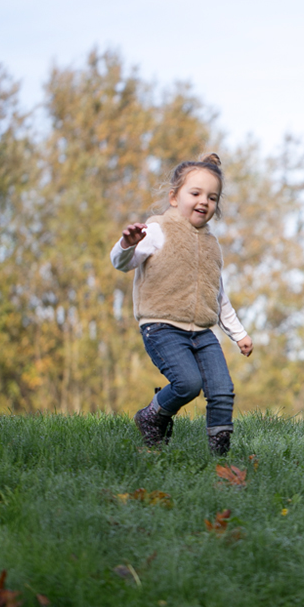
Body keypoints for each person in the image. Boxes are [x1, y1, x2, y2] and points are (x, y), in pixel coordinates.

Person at [110, 153, 253, 455]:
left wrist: (238, 333)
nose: (204, 202)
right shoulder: (158, 230)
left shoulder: (211, 245)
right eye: (195, 193)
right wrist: (127, 245)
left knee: (222, 390)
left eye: (212, 197)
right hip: (162, 327)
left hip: (203, 332)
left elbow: (218, 294)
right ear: (174, 197)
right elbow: (122, 264)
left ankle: (220, 458)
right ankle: (152, 415)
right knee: (188, 384)